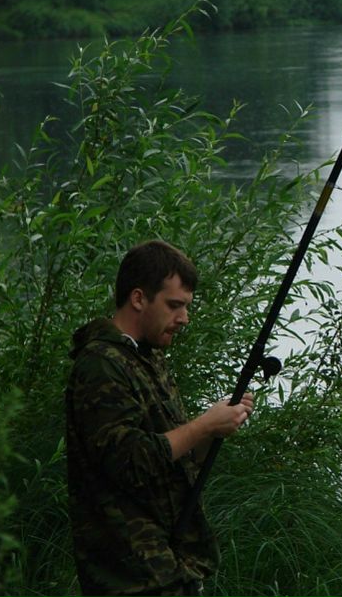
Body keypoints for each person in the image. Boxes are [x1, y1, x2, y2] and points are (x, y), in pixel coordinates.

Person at [65, 240, 254, 597]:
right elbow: (128, 461)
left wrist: (215, 429)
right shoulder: (101, 365)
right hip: (129, 575)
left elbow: (171, 455)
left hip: (169, 567)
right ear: (138, 299)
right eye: (174, 305)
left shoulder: (146, 359)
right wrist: (203, 425)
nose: (184, 318)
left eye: (186, 306)